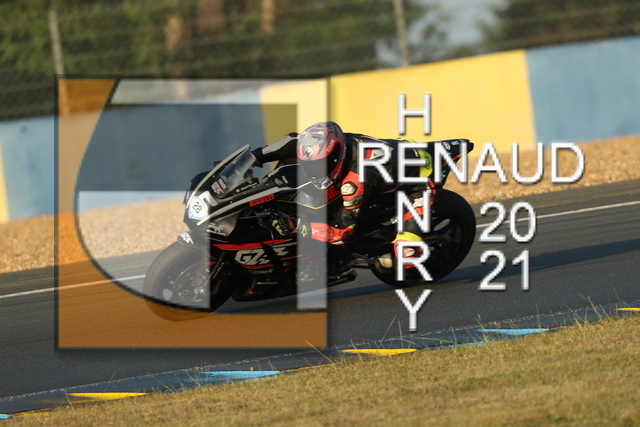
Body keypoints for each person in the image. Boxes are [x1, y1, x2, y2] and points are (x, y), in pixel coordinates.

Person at [252, 121, 434, 270]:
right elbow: (292, 140)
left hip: (420, 183)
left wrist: (299, 226)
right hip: (394, 154)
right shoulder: (326, 146)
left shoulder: (356, 180)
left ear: (335, 156)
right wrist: (253, 157)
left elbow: (342, 233)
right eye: (311, 165)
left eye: (319, 165)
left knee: (406, 255)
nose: (314, 170)